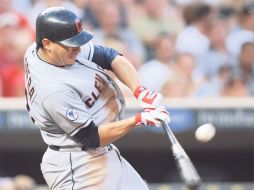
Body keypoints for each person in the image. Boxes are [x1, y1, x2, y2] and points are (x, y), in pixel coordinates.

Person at [24, 7, 170, 190]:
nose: (77, 49)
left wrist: (140, 91)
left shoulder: (48, 51)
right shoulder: (53, 89)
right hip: (78, 165)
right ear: (47, 43)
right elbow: (91, 137)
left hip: (102, 153)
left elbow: (109, 57)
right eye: (70, 45)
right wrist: (139, 119)